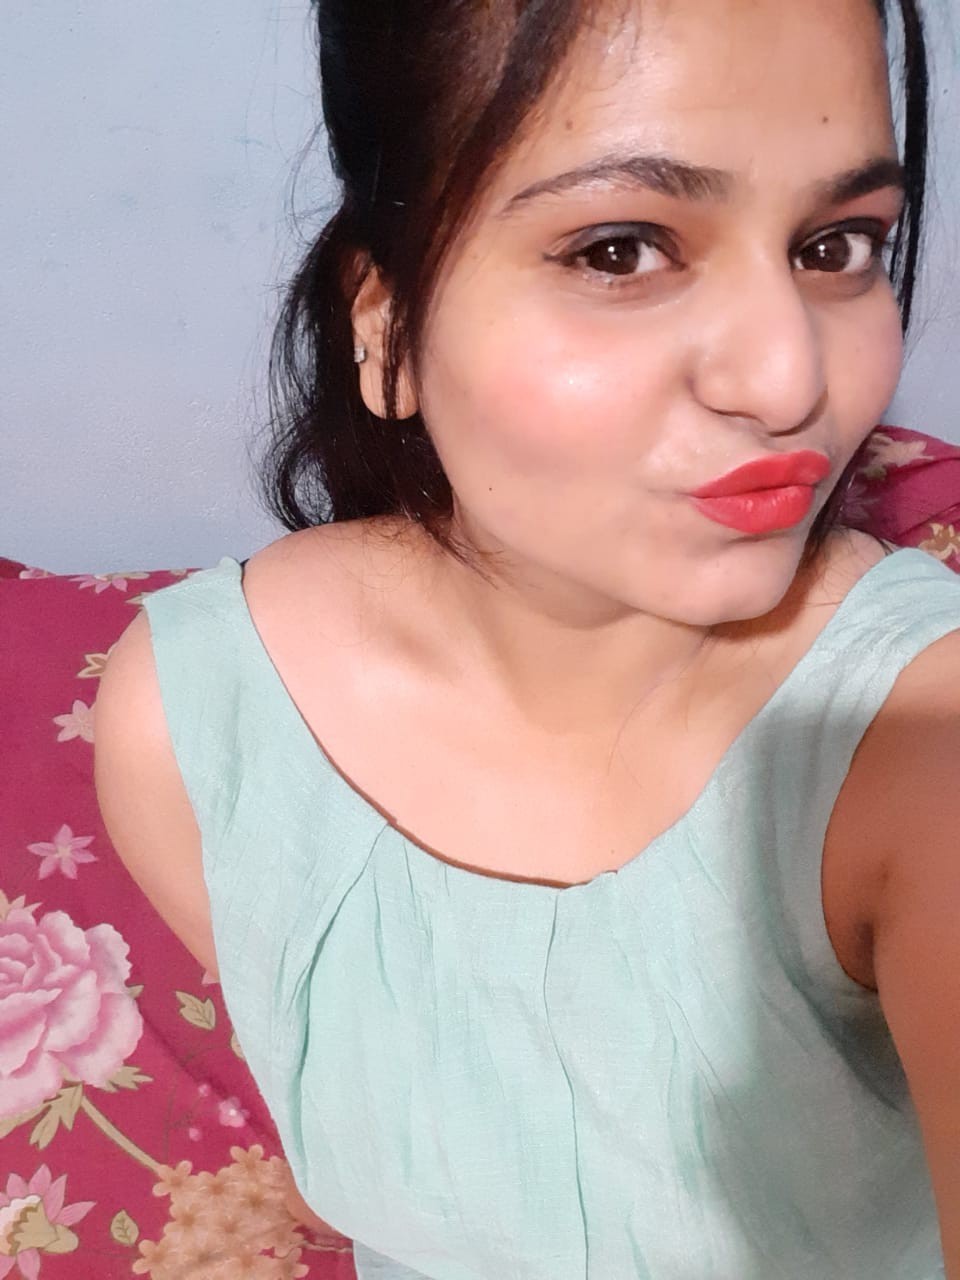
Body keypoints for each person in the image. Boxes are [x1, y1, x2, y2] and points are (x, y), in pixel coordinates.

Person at [93, 0, 960, 1275]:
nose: (789, 381)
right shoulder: (202, 726)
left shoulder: (918, 748)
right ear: (385, 323)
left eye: (836, 245)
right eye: (622, 250)